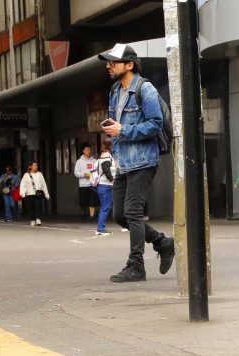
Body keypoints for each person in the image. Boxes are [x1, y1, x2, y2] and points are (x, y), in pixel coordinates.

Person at [99, 43, 175, 283]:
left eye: (114, 62)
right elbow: (118, 126)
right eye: (108, 62)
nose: (109, 66)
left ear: (129, 65)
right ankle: (163, 243)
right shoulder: (115, 90)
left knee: (132, 212)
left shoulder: (146, 89)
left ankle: (136, 265)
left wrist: (123, 130)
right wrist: (114, 131)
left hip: (143, 160)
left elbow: (155, 124)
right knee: (120, 215)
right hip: (123, 161)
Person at [93, 138, 117, 236]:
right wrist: (113, 180)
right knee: (105, 208)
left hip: (104, 186)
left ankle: (100, 228)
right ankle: (100, 229)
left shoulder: (103, 155)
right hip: (105, 185)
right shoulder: (106, 155)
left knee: (105, 207)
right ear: (110, 145)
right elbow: (106, 170)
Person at [19, 161, 50, 226]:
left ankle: (38, 219)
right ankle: (32, 219)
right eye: (34, 165)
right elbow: (23, 185)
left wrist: (46, 194)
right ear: (30, 166)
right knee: (31, 207)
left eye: (36, 165)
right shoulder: (26, 175)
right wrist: (22, 193)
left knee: (38, 205)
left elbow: (44, 184)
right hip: (29, 194)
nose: (36, 167)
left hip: (38, 193)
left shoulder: (40, 174)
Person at [74, 144, 99, 222]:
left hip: (92, 184)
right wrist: (84, 174)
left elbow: (98, 171)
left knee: (92, 201)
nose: (89, 151)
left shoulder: (94, 161)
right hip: (83, 185)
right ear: (83, 151)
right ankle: (83, 212)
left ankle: (92, 216)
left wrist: (94, 175)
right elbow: (76, 173)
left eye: (90, 149)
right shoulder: (79, 162)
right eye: (87, 150)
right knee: (83, 201)